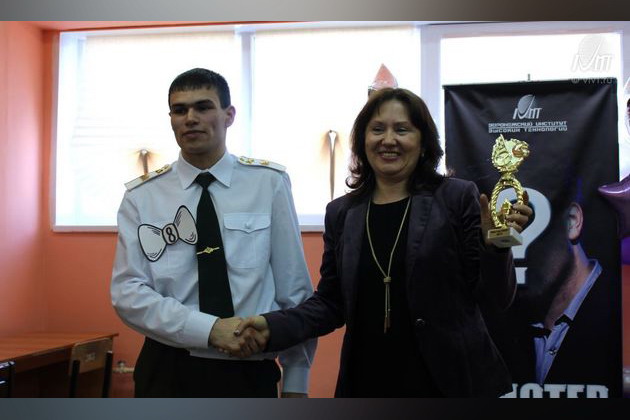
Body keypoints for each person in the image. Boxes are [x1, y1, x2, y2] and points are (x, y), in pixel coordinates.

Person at [229, 87, 532, 397]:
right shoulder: (341, 213)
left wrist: (496, 248)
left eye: (402, 129)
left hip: (448, 381)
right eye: (377, 129)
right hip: (367, 380)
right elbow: (331, 303)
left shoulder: (456, 197)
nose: (388, 140)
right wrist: (273, 326)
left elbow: (495, 298)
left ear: (423, 142)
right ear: (363, 141)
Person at [110, 68, 316, 398]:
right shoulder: (143, 196)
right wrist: (210, 330)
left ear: (229, 115)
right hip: (168, 368)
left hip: (248, 368)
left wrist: (296, 380)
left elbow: (294, 290)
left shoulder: (268, 183)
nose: (190, 118)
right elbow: (128, 292)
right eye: (179, 110)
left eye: (203, 107)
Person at [484, 179, 622, 397]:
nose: (515, 245)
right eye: (503, 229)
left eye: (528, 223)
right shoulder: (499, 327)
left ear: (572, 222)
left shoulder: (619, 308)